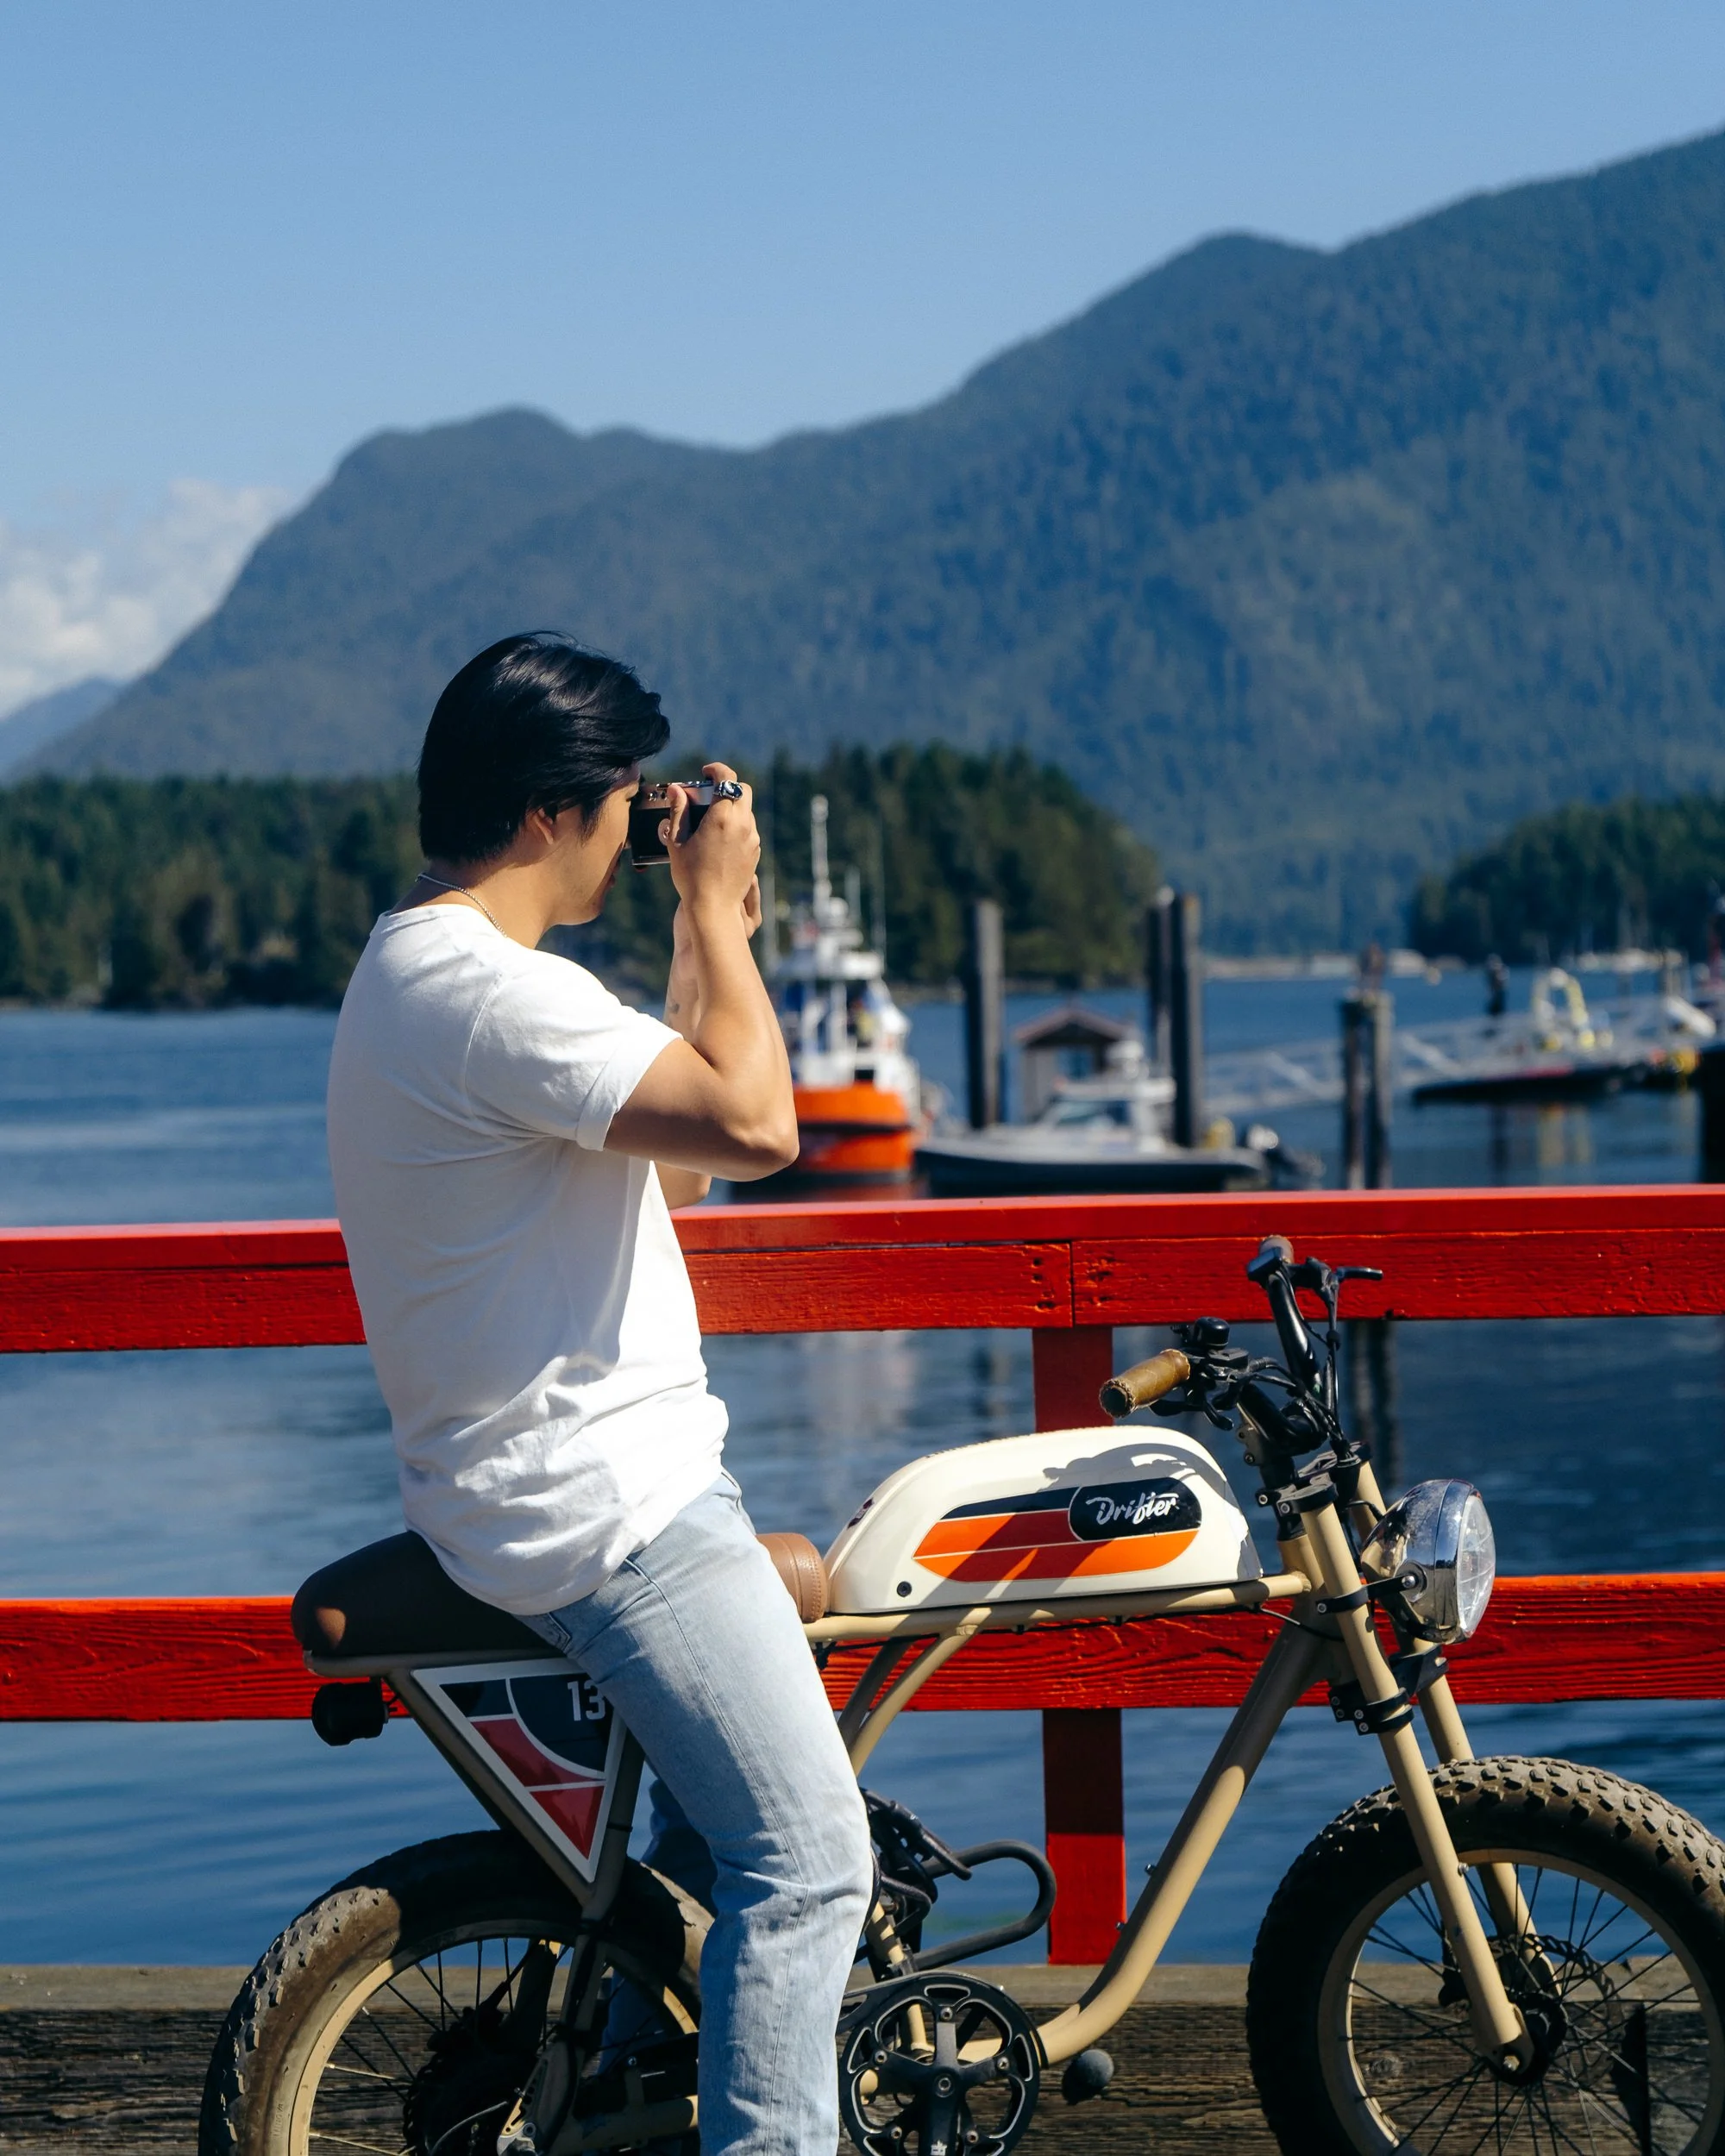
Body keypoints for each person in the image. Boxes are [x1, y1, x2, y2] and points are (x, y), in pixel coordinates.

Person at [325, 632, 873, 2156]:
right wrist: (712, 908)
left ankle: (634, 2112)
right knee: (812, 1868)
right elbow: (762, 1126)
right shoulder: (499, 1000)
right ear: (555, 811)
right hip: (610, 1517)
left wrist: (715, 937)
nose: (643, 829)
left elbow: (681, 1156)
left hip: (523, 1499)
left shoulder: (420, 974)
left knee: (702, 1878)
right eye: (629, 800)